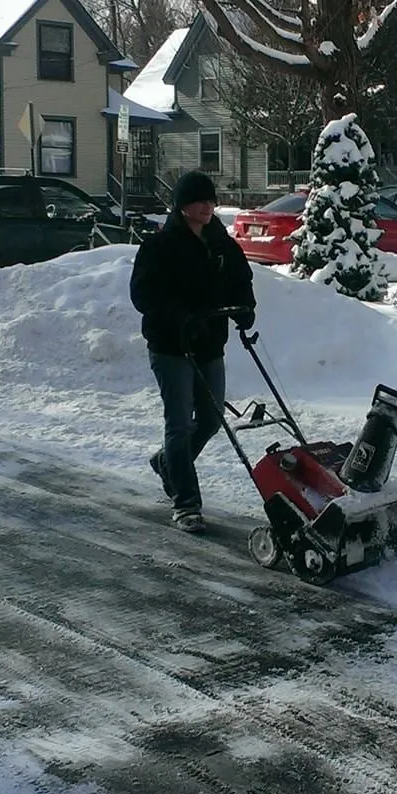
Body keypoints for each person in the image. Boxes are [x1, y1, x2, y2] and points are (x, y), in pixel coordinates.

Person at [130, 170, 256, 532]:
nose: (207, 206)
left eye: (210, 200)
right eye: (199, 201)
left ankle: (169, 463)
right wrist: (179, 318)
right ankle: (186, 504)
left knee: (212, 419)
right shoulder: (160, 246)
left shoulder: (221, 244)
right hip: (172, 346)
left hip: (210, 343)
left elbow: (240, 281)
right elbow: (144, 294)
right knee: (180, 423)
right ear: (182, 206)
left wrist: (245, 308)